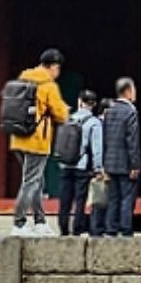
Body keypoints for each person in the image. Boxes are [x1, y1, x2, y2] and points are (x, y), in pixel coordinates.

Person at [4, 47, 70, 232]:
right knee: (31, 182)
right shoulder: (48, 86)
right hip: (36, 141)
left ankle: (40, 221)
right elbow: (60, 114)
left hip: (18, 138)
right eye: (58, 69)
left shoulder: (23, 79)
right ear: (54, 67)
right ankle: (19, 222)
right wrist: (66, 110)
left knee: (36, 181)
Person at [89, 78, 141, 238]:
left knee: (113, 197)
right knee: (127, 197)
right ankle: (126, 228)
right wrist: (135, 164)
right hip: (126, 162)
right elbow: (132, 141)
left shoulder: (109, 111)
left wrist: (104, 163)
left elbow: (105, 138)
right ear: (128, 91)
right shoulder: (131, 112)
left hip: (110, 162)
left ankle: (110, 228)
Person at [51, 97, 92, 234]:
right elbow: (97, 149)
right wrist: (98, 168)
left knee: (65, 199)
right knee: (80, 199)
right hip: (81, 164)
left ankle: (63, 227)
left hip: (66, 164)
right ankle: (77, 228)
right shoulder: (93, 122)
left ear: (79, 102)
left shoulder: (66, 120)